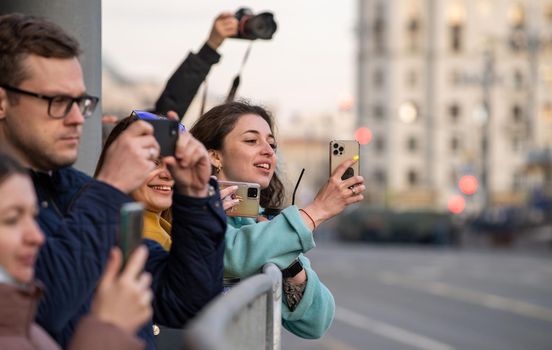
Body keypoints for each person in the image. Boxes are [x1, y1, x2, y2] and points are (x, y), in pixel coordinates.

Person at [0, 13, 226, 349]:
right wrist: (109, 187)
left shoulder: (76, 190)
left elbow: (183, 301)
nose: (78, 119)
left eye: (81, 102)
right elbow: (39, 311)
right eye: (58, 102)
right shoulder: (97, 194)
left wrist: (194, 197)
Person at [188, 101, 366, 339]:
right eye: (251, 141)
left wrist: (291, 264)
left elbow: (316, 323)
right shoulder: (188, 209)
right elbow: (231, 255)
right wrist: (317, 210)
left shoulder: (269, 222)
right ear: (214, 156)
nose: (268, 151)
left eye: (271, 144)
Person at [0, 153, 151, 350]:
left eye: (34, 216)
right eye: (12, 219)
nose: (37, 236)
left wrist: (195, 198)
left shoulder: (25, 327)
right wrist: (109, 329)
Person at [154, 12, 238, 118]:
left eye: (266, 135)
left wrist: (210, 46)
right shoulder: (158, 128)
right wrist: (209, 48)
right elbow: (167, 113)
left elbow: (167, 111)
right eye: (250, 135)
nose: (263, 135)